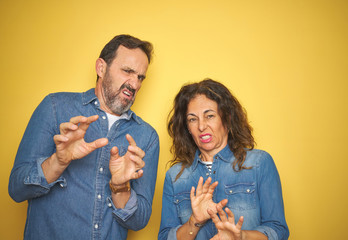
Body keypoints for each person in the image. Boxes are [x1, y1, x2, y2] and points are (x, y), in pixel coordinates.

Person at [8, 34, 160, 240]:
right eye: (127, 71)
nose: (134, 84)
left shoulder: (146, 136)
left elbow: (139, 221)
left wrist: (120, 187)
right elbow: (16, 189)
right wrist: (58, 162)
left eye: (140, 77)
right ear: (101, 68)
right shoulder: (55, 107)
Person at [158, 79, 289, 240]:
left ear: (227, 118)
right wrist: (194, 221)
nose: (201, 126)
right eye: (192, 119)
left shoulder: (259, 163)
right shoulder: (175, 177)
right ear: (187, 128)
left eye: (210, 116)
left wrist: (241, 237)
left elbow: (278, 230)